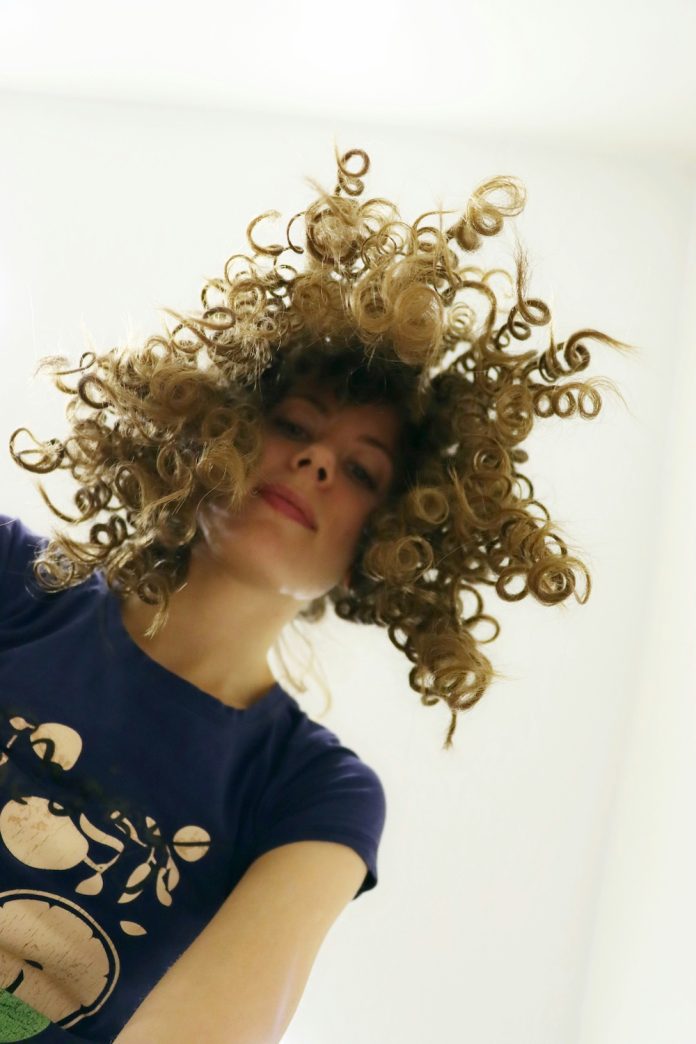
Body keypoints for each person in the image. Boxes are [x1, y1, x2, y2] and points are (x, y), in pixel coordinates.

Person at [1, 145, 636, 1042]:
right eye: (294, 424)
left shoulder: (312, 792)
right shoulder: (15, 581)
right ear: (217, 427)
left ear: (393, 543)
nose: (315, 461)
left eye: (363, 471)